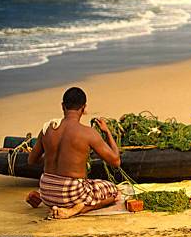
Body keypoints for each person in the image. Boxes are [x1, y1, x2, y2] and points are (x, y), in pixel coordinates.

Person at [26, 87, 121, 219]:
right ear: (84, 108)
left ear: (62, 106)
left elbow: (31, 160)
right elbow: (116, 161)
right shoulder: (88, 133)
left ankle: (40, 197)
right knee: (114, 193)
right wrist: (107, 132)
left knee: (79, 185)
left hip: (46, 189)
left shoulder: (47, 128)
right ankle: (75, 210)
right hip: (71, 193)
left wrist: (51, 157)